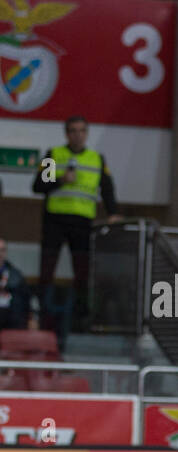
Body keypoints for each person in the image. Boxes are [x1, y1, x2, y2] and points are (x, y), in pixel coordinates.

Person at [31, 116, 122, 343]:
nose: (77, 135)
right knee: (46, 272)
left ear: (87, 134)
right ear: (66, 134)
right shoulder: (54, 155)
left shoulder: (96, 159)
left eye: (82, 130)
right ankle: (43, 317)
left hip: (82, 224)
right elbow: (38, 185)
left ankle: (81, 320)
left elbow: (107, 189)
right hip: (55, 222)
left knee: (82, 273)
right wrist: (61, 179)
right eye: (73, 130)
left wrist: (113, 213)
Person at [0, 238, 32, 330]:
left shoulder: (16, 275)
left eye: (2, 250)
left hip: (10, 321)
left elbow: (27, 301)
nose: (0, 254)